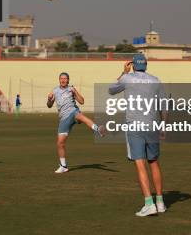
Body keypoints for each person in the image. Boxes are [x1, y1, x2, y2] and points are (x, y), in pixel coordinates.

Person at [108, 54, 167, 217]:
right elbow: (164, 105)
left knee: (140, 164)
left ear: (133, 65)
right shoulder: (156, 80)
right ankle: (160, 202)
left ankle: (149, 203)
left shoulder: (128, 78)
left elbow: (111, 90)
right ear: (146, 65)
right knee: (154, 162)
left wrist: (123, 73)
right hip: (153, 125)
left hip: (135, 126)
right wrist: (163, 125)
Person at [47, 72, 105, 174]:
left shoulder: (71, 89)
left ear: (68, 80)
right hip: (64, 119)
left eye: (65, 78)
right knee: (60, 143)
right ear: (59, 80)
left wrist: (75, 91)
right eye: (61, 78)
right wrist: (49, 99)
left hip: (73, 112)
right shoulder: (55, 91)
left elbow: (82, 101)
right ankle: (63, 166)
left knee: (79, 116)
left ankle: (97, 129)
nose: (63, 80)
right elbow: (49, 105)